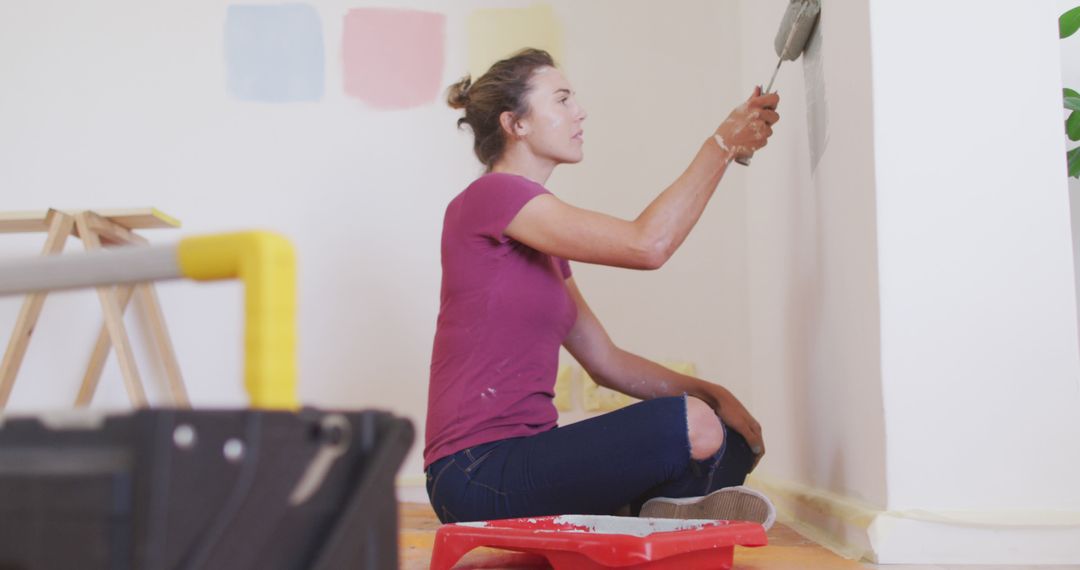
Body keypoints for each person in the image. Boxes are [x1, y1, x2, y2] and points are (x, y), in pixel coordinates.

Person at [424, 48, 780, 526]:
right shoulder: (493, 196)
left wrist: (717, 394)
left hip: (527, 458)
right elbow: (647, 245)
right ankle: (647, 512)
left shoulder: (543, 241)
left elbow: (605, 362)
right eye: (563, 99)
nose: (580, 111)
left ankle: (637, 515)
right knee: (692, 423)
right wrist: (721, 144)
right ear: (517, 124)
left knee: (728, 435)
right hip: (473, 473)